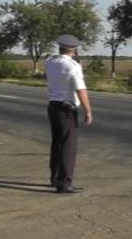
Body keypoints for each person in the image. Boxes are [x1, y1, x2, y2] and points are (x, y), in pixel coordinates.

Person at [44, 34, 94, 194]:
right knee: (68, 146)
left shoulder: (50, 62)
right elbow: (81, 89)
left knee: (57, 143)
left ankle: (55, 177)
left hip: (53, 105)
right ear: (75, 49)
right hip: (67, 108)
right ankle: (64, 183)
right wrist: (88, 110)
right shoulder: (73, 66)